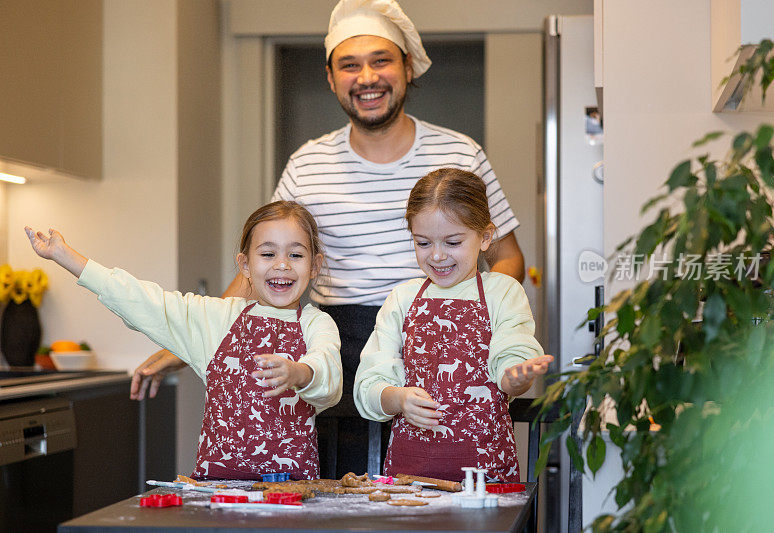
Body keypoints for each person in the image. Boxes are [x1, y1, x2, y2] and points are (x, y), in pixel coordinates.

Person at [131, 0, 526, 475]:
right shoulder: (306, 163)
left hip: (433, 337)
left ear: (407, 67)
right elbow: (266, 267)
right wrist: (190, 339)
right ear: (330, 77)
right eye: (349, 65)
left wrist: (485, 329)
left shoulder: (461, 152)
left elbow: (506, 258)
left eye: (381, 60)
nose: (367, 77)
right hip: (327, 342)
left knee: (430, 492)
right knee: (333, 492)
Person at [25, 201, 342, 480]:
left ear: (314, 265)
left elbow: (328, 377)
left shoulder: (317, 323)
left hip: (293, 490)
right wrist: (66, 257)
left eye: (296, 254)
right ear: (245, 264)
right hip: (217, 490)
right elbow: (145, 301)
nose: (282, 264)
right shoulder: (217, 318)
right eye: (268, 253)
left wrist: (301, 373)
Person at [354, 168, 553, 482]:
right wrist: (398, 398)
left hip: (487, 482)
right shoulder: (402, 298)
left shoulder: (502, 292)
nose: (437, 255)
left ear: (485, 237)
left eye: (452, 242)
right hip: (410, 480)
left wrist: (516, 377)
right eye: (422, 242)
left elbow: (512, 356)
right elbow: (369, 384)